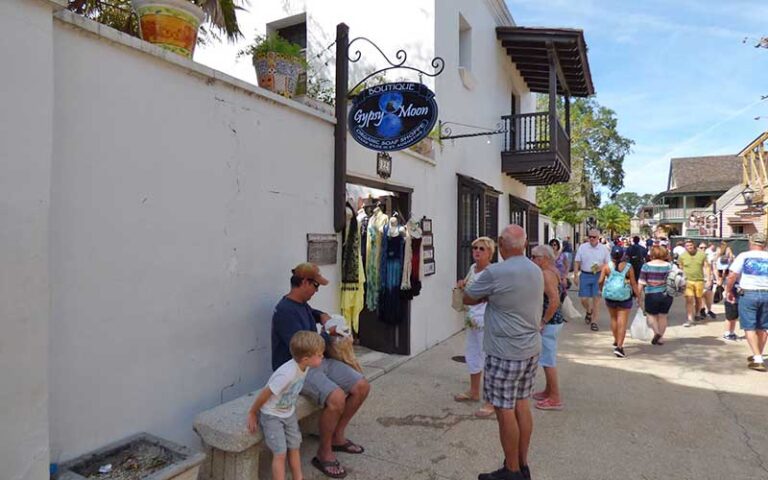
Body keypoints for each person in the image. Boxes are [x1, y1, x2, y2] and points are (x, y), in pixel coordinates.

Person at [272, 262, 371, 478]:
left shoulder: (301, 304)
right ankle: (324, 452)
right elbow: (303, 349)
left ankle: (337, 436)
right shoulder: (285, 312)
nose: (317, 291)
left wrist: (324, 317)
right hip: (297, 369)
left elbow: (314, 313)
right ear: (305, 282)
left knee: (362, 386)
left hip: (317, 361)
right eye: (316, 286)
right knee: (337, 398)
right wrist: (330, 334)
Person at [464, 225, 543, 480]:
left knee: (503, 409)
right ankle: (522, 464)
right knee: (522, 404)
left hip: (505, 351)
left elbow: (468, 296)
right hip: (530, 349)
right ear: (525, 243)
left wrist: (487, 297)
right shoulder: (535, 268)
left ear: (500, 243)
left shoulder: (495, 272)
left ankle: (511, 470)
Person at [248, 331, 326, 480]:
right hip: (272, 415)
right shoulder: (286, 374)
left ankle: (298, 477)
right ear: (306, 358)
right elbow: (266, 393)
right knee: (280, 452)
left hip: (288, 413)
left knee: (295, 446)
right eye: (320, 354)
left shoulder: (305, 365)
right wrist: (252, 412)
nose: (322, 356)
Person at [454, 236, 495, 417]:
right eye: (474, 248)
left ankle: (491, 400)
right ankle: (474, 391)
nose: (477, 251)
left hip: (486, 320)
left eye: (481, 249)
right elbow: (470, 287)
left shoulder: (492, 272)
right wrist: (462, 284)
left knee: (488, 359)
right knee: (472, 354)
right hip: (472, 318)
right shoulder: (473, 268)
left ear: (490, 253)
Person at [726, 233, 768, 372]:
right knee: (763, 326)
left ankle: (757, 358)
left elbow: (732, 275)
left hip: (749, 292)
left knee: (749, 326)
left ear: (751, 243)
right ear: (764, 244)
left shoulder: (744, 256)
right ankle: (758, 355)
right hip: (766, 292)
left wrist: (729, 290)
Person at [531, 245, 565, 411]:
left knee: (548, 360)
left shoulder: (546, 274)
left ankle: (555, 397)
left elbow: (554, 300)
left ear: (543, 258)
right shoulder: (553, 270)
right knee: (546, 359)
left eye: (534, 256)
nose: (532, 260)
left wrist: (543, 321)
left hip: (550, 322)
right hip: (554, 321)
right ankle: (549, 391)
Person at [599, 245, 642, 358]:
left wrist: (601, 289)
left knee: (613, 319)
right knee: (622, 322)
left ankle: (615, 339)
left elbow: (600, 281)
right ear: (623, 255)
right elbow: (633, 283)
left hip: (610, 296)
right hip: (624, 297)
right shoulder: (628, 267)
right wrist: (639, 297)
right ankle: (619, 347)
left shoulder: (606, 267)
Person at [573, 229, 610, 332]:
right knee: (583, 299)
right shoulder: (583, 247)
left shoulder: (603, 249)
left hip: (598, 276)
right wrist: (575, 275)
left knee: (596, 299)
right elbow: (577, 261)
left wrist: (601, 266)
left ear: (598, 238)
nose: (592, 239)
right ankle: (589, 311)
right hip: (585, 274)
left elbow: (609, 263)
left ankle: (594, 322)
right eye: (590, 237)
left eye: (594, 237)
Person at [638, 246, 674, 345]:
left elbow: (641, 282)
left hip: (651, 293)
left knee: (650, 315)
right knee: (663, 316)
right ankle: (661, 337)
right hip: (667, 294)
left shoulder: (646, 266)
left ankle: (656, 332)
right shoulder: (669, 266)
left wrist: (638, 296)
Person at [678, 239, 712, 327]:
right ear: (685, 247)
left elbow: (707, 267)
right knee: (689, 299)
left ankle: (697, 314)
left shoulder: (702, 255)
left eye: (691, 245)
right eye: (687, 246)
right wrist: (681, 280)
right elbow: (680, 268)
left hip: (699, 280)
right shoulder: (682, 256)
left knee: (698, 299)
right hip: (687, 281)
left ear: (694, 245)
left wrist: (708, 279)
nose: (689, 247)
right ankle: (690, 319)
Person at [699, 242, 717, 319]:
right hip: (699, 278)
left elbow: (714, 267)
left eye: (704, 247)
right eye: (701, 247)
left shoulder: (709, 257)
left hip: (709, 278)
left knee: (708, 295)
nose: (703, 249)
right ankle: (702, 310)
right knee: (700, 295)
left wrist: (717, 278)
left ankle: (709, 310)